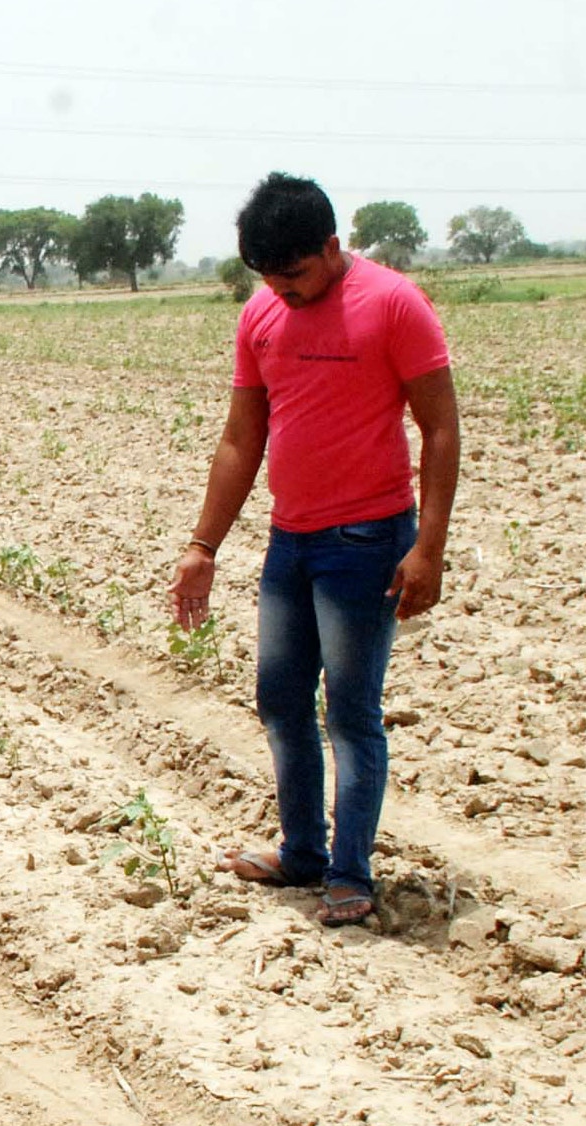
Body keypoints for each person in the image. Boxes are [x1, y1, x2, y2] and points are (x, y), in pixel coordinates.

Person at [169, 172, 460, 927]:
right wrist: (203, 544)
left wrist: (429, 546)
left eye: (294, 274)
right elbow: (241, 438)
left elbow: (440, 429)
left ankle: (350, 872)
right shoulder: (262, 313)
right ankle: (302, 850)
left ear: (332, 246)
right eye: (267, 278)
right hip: (290, 540)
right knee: (279, 699)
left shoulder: (395, 303)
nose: (282, 292)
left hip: (367, 540)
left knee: (352, 712)